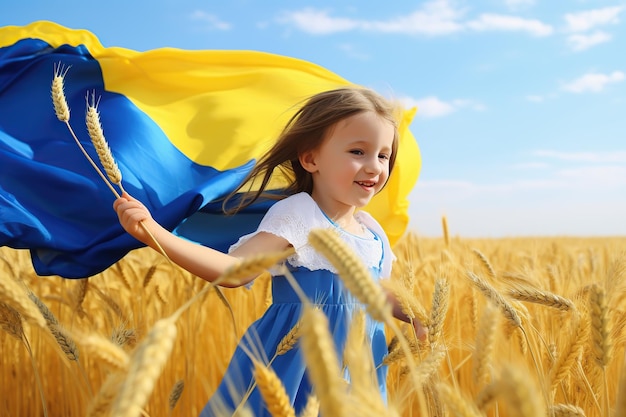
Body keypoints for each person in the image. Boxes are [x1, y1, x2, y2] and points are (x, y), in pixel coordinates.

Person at [114, 86, 427, 416]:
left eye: (383, 155)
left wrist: (416, 313)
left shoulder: (372, 230)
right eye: (357, 152)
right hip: (296, 367)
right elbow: (236, 271)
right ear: (310, 158)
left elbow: (374, 293)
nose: (375, 167)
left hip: (360, 368)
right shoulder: (300, 214)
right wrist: (155, 234)